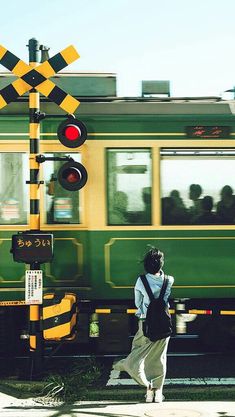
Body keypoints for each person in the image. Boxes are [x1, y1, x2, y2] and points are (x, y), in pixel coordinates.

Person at [113, 248, 174, 403]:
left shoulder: (141, 281)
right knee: (159, 359)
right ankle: (158, 393)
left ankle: (147, 388)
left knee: (136, 356)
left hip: (146, 324)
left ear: (146, 265)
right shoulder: (169, 280)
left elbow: (137, 302)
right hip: (164, 324)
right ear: (161, 264)